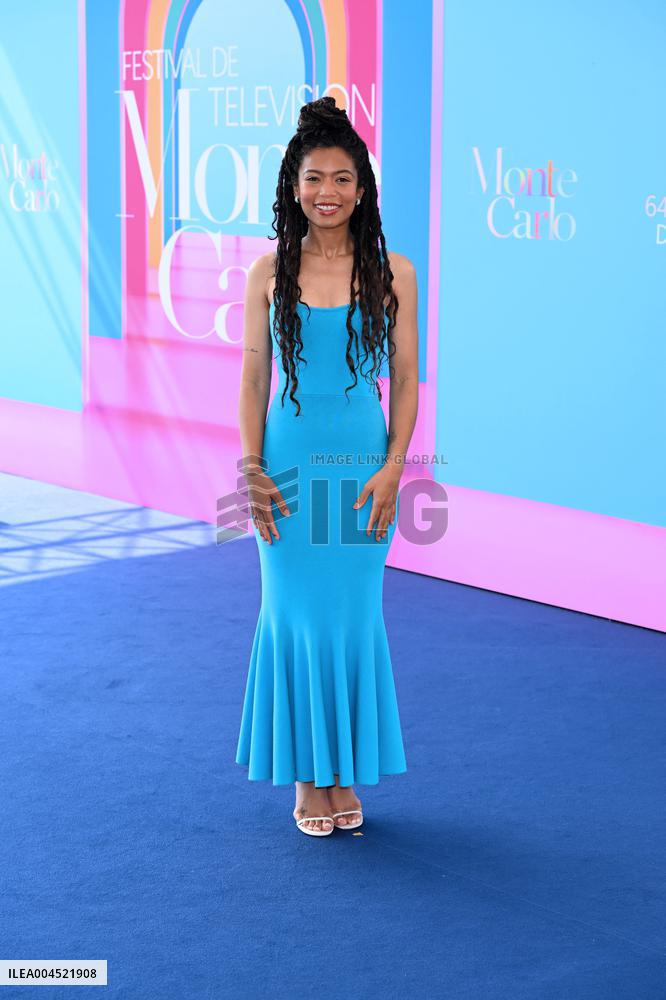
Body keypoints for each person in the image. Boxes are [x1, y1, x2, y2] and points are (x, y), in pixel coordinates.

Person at [235, 96, 419, 837]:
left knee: (352, 618)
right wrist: (251, 467)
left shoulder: (395, 272)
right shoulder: (266, 273)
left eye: (343, 179)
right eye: (314, 178)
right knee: (293, 616)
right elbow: (252, 380)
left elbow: (405, 380)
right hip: (287, 467)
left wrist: (394, 469)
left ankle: (344, 772)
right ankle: (310, 780)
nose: (328, 193)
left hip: (364, 472)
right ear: (293, 186)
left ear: (363, 188)